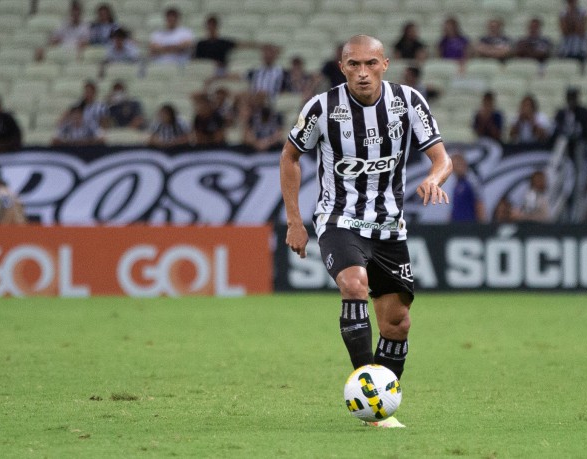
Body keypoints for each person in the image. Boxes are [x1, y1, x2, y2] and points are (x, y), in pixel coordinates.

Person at [280, 35, 452, 428]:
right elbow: (290, 156)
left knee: (397, 323)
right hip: (339, 219)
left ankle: (377, 407)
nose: (362, 73)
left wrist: (434, 178)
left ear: (385, 64)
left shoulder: (408, 102)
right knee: (354, 283)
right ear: (342, 68)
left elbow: (442, 158)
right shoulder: (322, 108)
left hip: (390, 226)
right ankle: (368, 391)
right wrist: (295, 220)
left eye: (370, 64)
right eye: (354, 65)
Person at [553, 87, 587, 184]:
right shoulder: (561, 113)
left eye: (573, 97)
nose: (571, 100)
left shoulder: (585, 113)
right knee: (564, 177)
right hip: (565, 150)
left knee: (580, 178)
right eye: (570, 97)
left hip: (581, 149)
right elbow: (556, 131)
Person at [194, 14, 260, 77]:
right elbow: (197, 60)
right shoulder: (201, 44)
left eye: (213, 26)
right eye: (209, 26)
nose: (211, 28)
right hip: (205, 71)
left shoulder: (223, 43)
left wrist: (257, 45)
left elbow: (240, 44)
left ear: (216, 27)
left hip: (220, 71)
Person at [450, 152, 485, 222]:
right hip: (456, 224)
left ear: (463, 165)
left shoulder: (472, 181)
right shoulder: (456, 183)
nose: (454, 169)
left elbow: (479, 203)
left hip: (469, 224)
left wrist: (481, 225)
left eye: (457, 165)